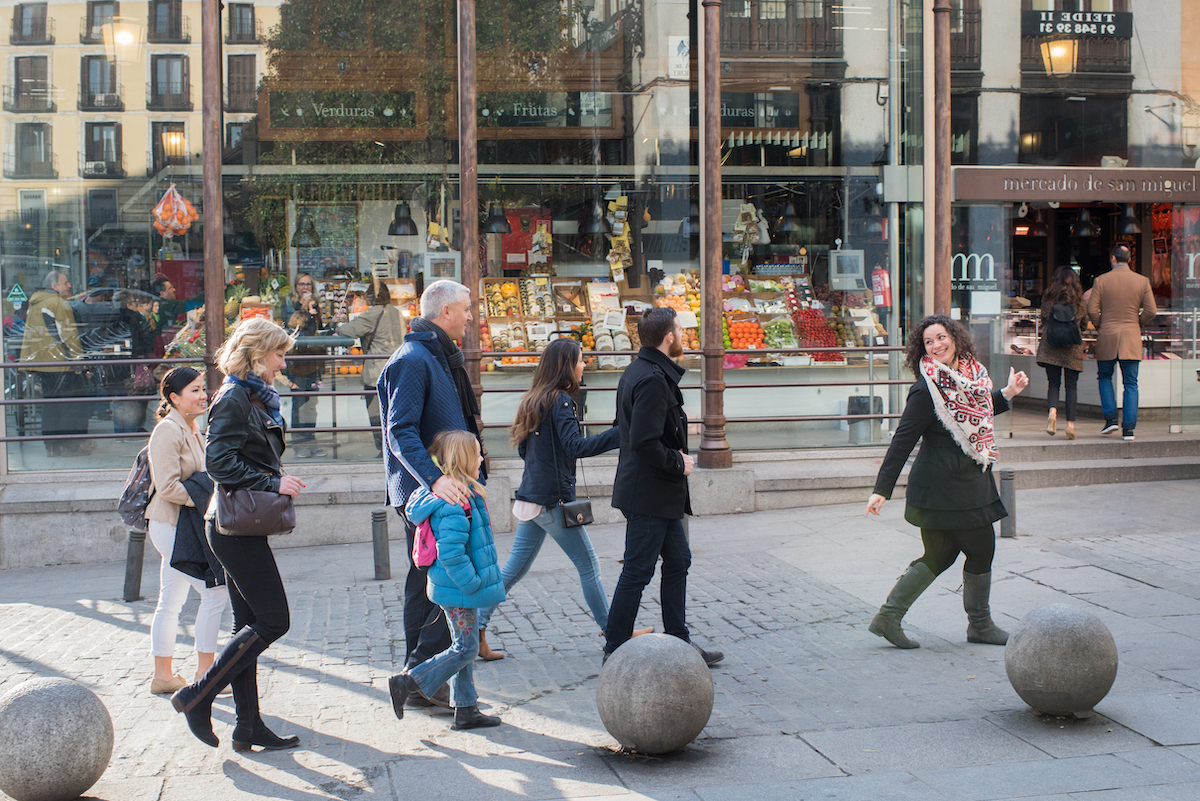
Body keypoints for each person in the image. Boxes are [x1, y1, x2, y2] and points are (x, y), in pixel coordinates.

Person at [170, 317, 304, 752]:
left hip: (241, 524)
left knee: (248, 626)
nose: (283, 361)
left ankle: (248, 726)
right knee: (273, 620)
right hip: (230, 527)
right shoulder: (232, 398)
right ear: (258, 354)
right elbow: (218, 464)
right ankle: (197, 696)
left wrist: (273, 477)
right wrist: (272, 484)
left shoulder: (253, 396)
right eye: (279, 353)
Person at [865, 315, 1029, 650]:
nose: (936, 345)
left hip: (960, 482)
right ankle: (980, 625)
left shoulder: (968, 376)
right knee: (981, 549)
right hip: (947, 486)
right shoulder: (928, 387)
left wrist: (1008, 393)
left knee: (939, 556)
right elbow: (903, 440)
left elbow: (976, 411)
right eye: (929, 342)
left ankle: (888, 617)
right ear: (921, 349)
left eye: (941, 337)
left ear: (954, 338)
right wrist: (882, 489)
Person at [477, 338, 646, 661]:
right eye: (581, 360)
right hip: (551, 501)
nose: (584, 366)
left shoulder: (535, 399)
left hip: (532, 497)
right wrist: (623, 432)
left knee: (512, 570)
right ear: (566, 366)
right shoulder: (562, 401)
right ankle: (615, 632)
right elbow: (575, 447)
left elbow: (527, 450)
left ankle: (475, 632)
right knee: (588, 566)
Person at [377, 279, 486, 708]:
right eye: (466, 308)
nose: (471, 315)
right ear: (445, 313)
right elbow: (398, 431)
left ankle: (424, 676)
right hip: (429, 491)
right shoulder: (414, 358)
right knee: (431, 580)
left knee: (431, 579)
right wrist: (434, 480)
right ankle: (420, 675)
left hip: (445, 484)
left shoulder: (436, 355)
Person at [603, 307, 722, 666]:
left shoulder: (640, 371)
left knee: (678, 560)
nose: (683, 337)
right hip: (649, 491)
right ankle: (614, 646)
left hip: (655, 491)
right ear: (669, 336)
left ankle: (678, 641)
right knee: (638, 570)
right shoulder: (653, 378)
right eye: (680, 331)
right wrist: (679, 461)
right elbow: (643, 440)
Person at [386, 430, 505, 730]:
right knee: (466, 649)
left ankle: (465, 709)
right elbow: (451, 554)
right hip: (458, 588)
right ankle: (409, 681)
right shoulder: (454, 504)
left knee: (461, 646)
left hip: (457, 588)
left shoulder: (464, 493)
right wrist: (472, 584)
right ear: (464, 460)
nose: (482, 457)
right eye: (477, 453)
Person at [146, 367, 227, 695]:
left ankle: (163, 675)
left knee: (171, 600)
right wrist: (207, 499)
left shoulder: (193, 428)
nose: (203, 394)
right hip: (171, 525)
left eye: (202, 388)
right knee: (214, 593)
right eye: (194, 390)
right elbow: (166, 488)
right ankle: (206, 674)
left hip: (183, 525)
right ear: (174, 398)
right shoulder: (168, 431)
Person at [1088, 243, 1157, 441]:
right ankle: (1129, 429)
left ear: (1113, 258)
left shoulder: (1101, 280)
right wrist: (1137, 323)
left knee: (1104, 377)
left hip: (1107, 335)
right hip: (1131, 337)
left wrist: (1102, 325)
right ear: (1130, 259)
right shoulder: (1142, 281)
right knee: (1131, 383)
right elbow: (1151, 310)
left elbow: (1092, 310)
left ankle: (1110, 420)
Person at [21, 270, 92, 456]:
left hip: (42, 363)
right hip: (60, 363)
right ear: (54, 286)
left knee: (50, 405)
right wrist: (79, 362)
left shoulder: (36, 304)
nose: (69, 286)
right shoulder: (57, 303)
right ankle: (69, 446)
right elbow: (68, 335)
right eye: (65, 282)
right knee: (69, 405)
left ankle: (52, 446)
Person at [337, 281, 406, 455]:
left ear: (370, 297)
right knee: (396, 414)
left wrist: (337, 325)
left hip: (377, 372)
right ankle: (397, 450)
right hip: (399, 370)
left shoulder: (372, 314)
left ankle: (384, 451)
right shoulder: (397, 313)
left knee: (377, 415)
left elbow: (348, 330)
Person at [1036, 266, 1087, 440]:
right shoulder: (1079, 300)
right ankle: (1071, 425)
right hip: (1072, 347)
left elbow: (1043, 317)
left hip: (1051, 345)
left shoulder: (1049, 297)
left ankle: (1052, 414)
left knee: (1053, 384)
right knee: (1071, 386)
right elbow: (1084, 322)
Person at [282, 275, 327, 458]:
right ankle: (300, 444)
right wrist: (303, 307)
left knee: (311, 403)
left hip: (313, 361)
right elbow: (289, 325)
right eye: (302, 284)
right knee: (299, 402)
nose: (305, 287)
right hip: (296, 361)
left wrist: (316, 313)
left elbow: (319, 328)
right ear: (296, 286)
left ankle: (311, 442)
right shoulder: (289, 303)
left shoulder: (314, 304)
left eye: (308, 284)